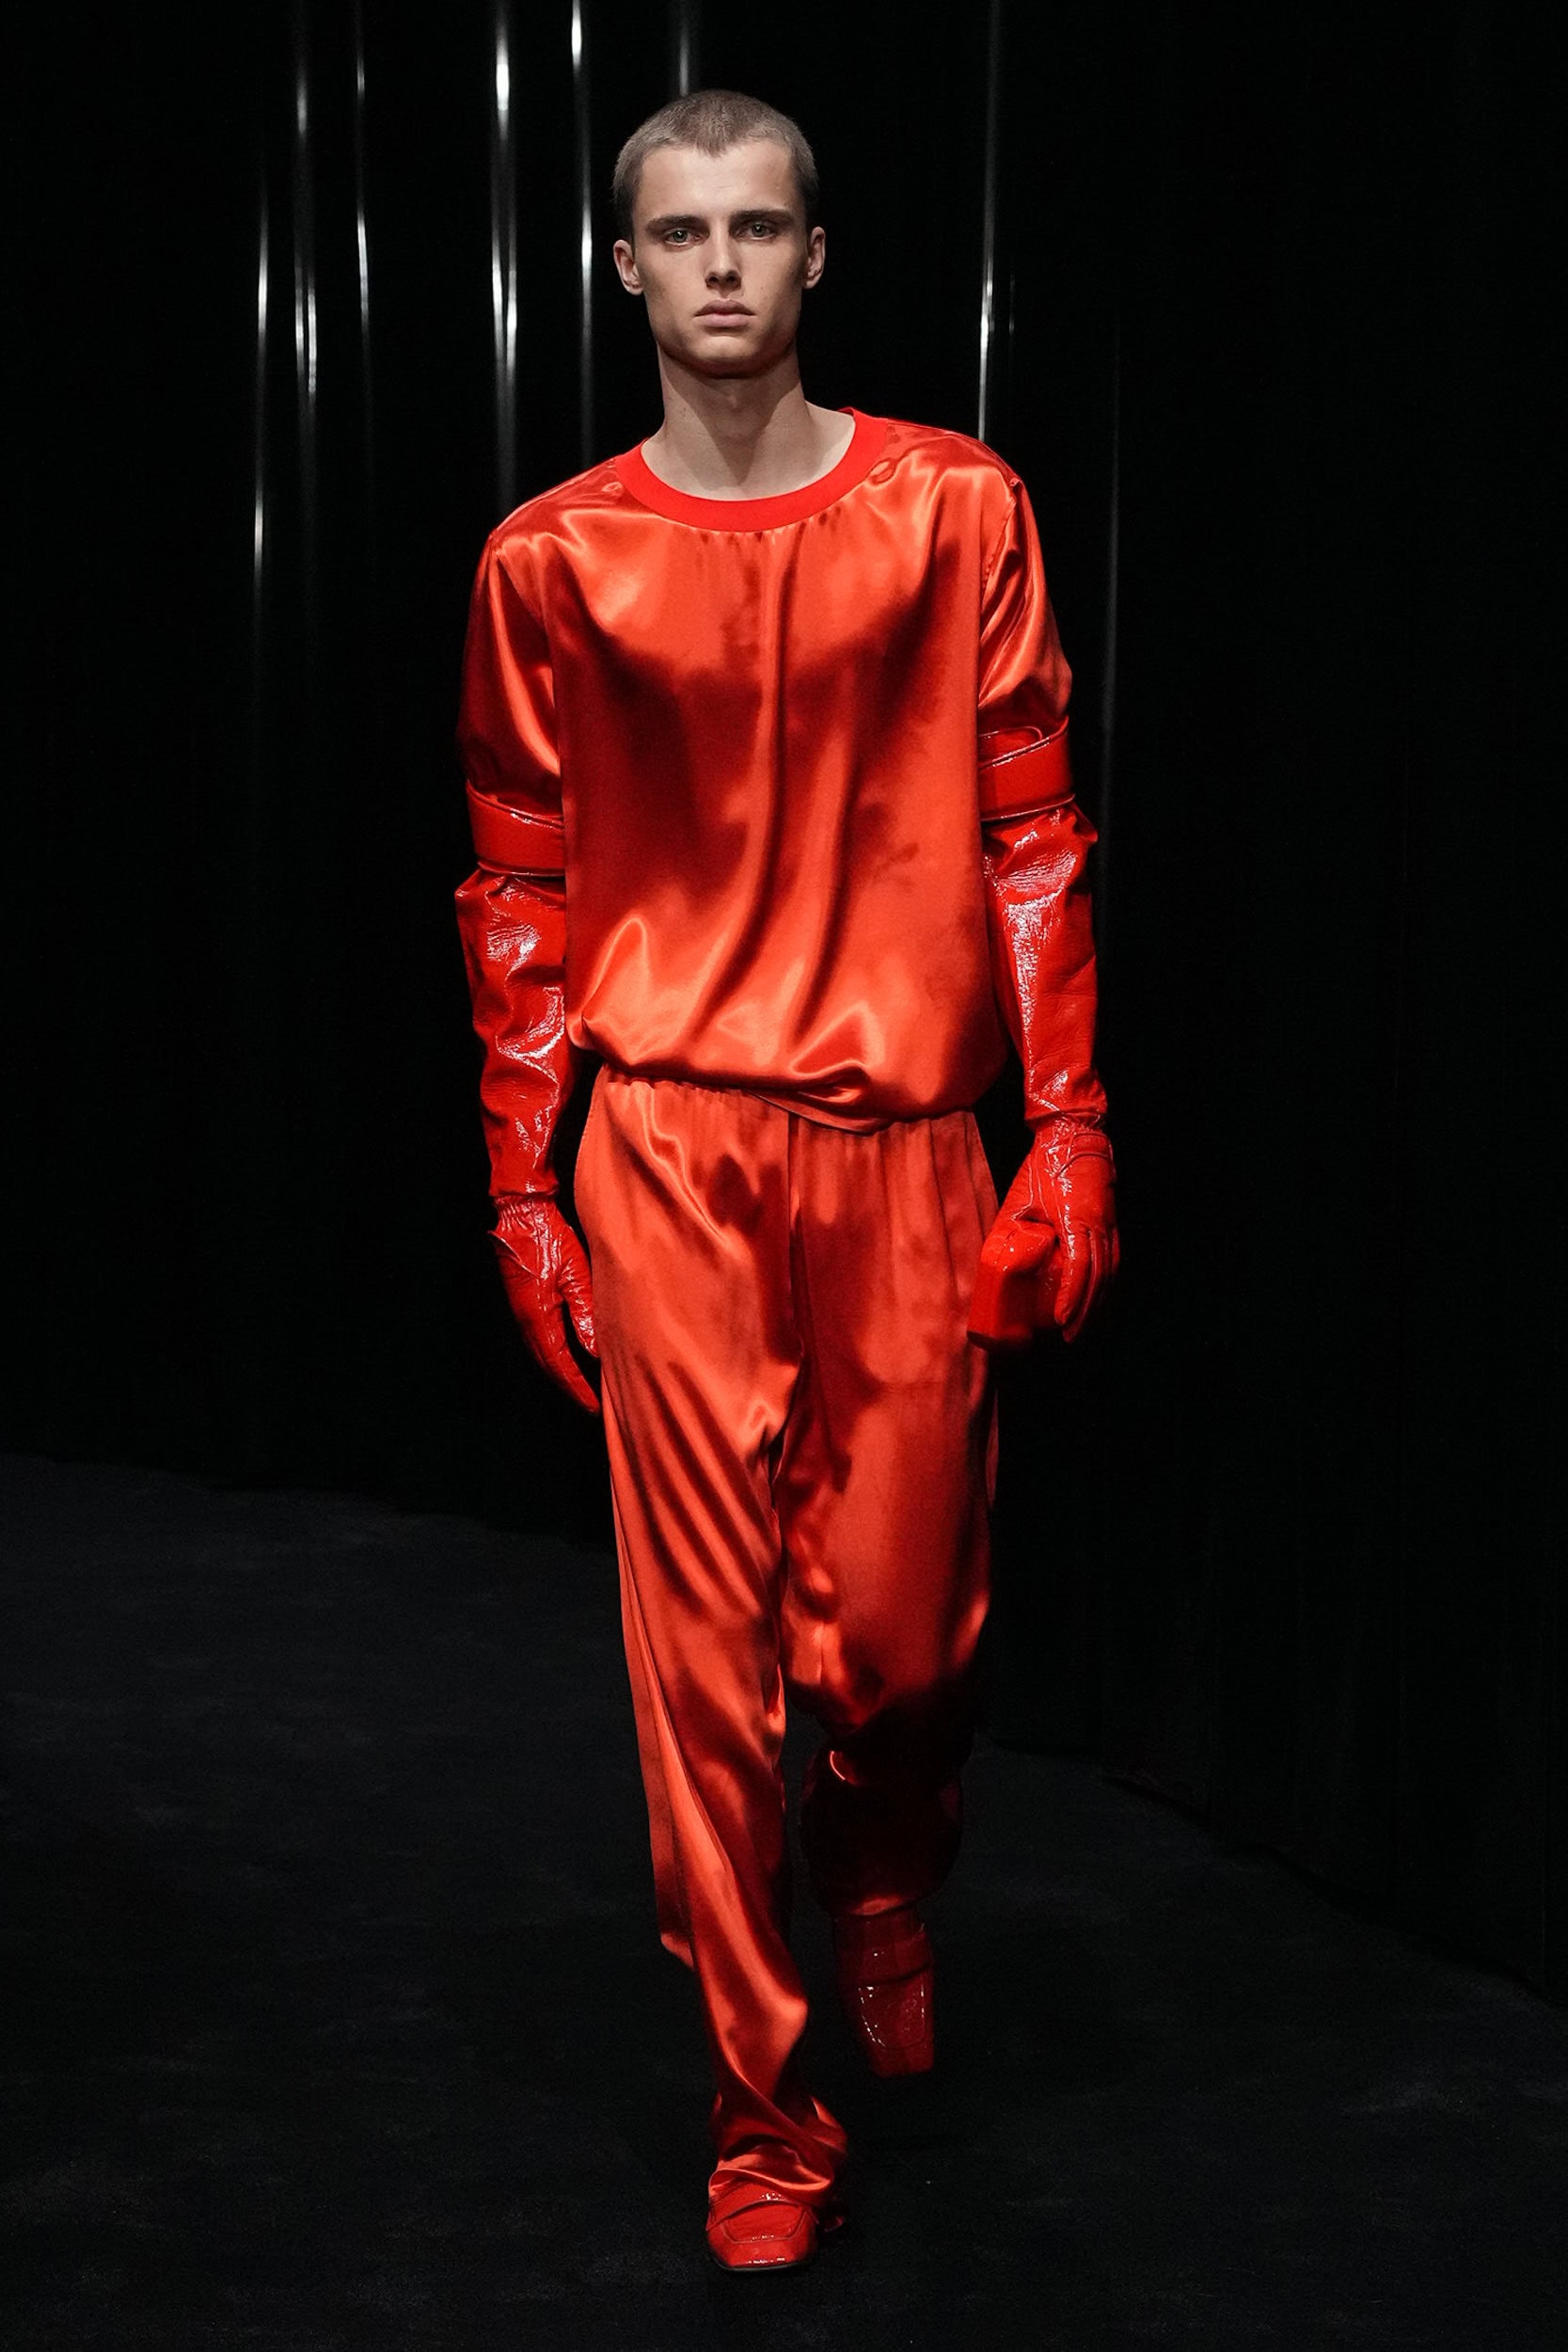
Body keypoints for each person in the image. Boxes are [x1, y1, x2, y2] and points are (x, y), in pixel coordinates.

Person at [453, 88, 1117, 2274]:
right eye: (682, 230)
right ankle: (763, 2101)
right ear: (624, 267)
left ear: (818, 254)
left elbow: (1030, 824)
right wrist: (528, 1185)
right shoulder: (550, 561)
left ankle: (886, 1863)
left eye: (758, 225)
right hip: (664, 1145)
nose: (722, 263)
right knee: (702, 1675)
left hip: (905, 1145)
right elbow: (521, 888)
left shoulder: (956, 507)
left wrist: (1070, 1120)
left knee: (905, 1649)